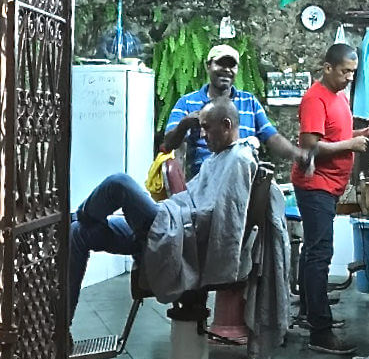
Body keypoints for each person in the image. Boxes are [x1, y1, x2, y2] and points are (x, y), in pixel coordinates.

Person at [70, 98, 264, 321]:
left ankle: (75, 215)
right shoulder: (218, 158)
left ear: (227, 125)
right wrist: (171, 210)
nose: (202, 135)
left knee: (119, 183)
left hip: (179, 230)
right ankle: (62, 329)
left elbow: (224, 220)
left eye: (207, 128)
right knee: (78, 233)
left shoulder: (239, 159)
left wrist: (178, 216)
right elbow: (193, 197)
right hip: (170, 220)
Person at [291, 43, 369, 355]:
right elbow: (311, 146)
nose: (349, 78)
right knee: (319, 255)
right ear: (327, 67)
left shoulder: (338, 95)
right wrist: (350, 145)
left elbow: (336, 133)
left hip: (328, 185)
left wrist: (362, 132)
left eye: (353, 73)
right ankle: (320, 332)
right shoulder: (315, 98)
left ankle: (308, 314)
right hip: (316, 185)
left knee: (314, 252)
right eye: (345, 72)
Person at [163, 44, 309, 178]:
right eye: (220, 64)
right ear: (208, 66)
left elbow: (272, 137)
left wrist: (298, 154)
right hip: (205, 183)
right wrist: (184, 125)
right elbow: (168, 144)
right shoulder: (187, 103)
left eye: (232, 66)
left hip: (244, 179)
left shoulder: (249, 102)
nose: (226, 70)